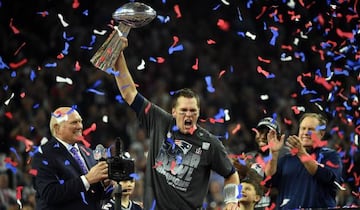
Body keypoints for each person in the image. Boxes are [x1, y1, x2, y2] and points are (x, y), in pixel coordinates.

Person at [112, 37, 240, 209]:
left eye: (193, 111)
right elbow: (130, 94)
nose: (189, 115)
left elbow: (231, 174)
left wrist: (231, 200)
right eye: (184, 111)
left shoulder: (210, 143)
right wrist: (119, 55)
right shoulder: (160, 120)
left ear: (199, 112)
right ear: (173, 112)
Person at [31, 106, 111, 210]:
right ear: (57, 128)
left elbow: (93, 196)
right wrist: (87, 179)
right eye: (74, 122)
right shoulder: (43, 155)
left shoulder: (88, 152)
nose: (80, 126)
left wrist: (105, 185)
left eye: (80, 121)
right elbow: (49, 194)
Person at [264, 112, 343, 209]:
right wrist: (274, 153)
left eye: (311, 129)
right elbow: (268, 182)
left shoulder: (331, 156)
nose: (306, 132)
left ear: (321, 134)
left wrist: (301, 153)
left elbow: (328, 178)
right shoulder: (286, 159)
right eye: (303, 128)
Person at [235, 117, 281, 209]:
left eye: (268, 133)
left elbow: (279, 189)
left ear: (278, 137)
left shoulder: (283, 158)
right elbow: (239, 190)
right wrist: (239, 174)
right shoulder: (249, 157)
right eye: (260, 132)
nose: (263, 136)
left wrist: (248, 173)